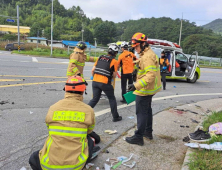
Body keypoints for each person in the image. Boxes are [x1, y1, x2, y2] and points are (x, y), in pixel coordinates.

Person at [29, 76, 96, 170]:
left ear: (65, 90)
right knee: (89, 140)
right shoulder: (88, 110)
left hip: (48, 166)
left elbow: (49, 128)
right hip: (75, 166)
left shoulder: (53, 108)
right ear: (83, 91)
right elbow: (89, 131)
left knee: (34, 156)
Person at [125, 32, 162, 146]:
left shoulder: (147, 57)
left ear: (143, 44)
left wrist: (136, 86)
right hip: (149, 88)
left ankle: (138, 137)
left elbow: (150, 75)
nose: (135, 48)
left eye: (136, 46)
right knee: (147, 111)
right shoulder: (147, 54)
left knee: (141, 112)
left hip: (145, 90)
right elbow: (146, 67)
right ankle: (147, 132)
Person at [88, 44, 122, 122]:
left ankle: (84, 113)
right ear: (115, 53)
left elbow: (92, 70)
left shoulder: (100, 57)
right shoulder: (114, 61)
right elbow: (114, 75)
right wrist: (111, 80)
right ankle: (115, 117)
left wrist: (95, 77)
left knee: (95, 99)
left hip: (95, 82)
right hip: (105, 82)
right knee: (112, 99)